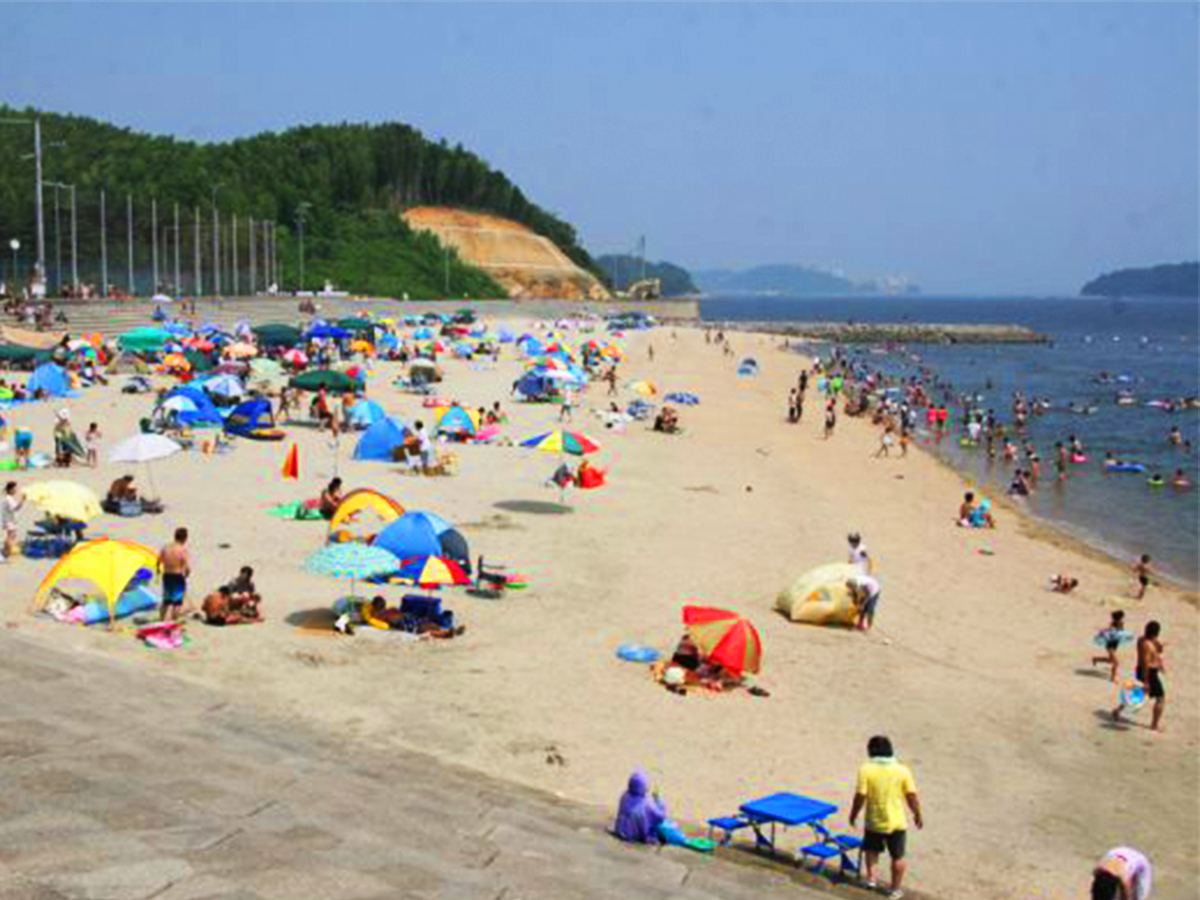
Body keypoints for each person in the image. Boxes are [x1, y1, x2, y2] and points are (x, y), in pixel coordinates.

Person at [848, 735, 923, 900]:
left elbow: (860, 796)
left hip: (874, 821)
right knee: (898, 857)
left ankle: (871, 880)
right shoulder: (902, 770)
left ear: (871, 751)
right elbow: (911, 795)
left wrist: (853, 814)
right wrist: (917, 813)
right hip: (897, 822)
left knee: (871, 850)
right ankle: (895, 890)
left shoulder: (866, 769)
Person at [1112, 621, 1166, 731]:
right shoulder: (1146, 644)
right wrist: (1146, 681)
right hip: (1148, 673)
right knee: (1160, 698)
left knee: (1141, 692)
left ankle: (1117, 710)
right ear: (1156, 633)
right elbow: (1145, 662)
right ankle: (1154, 725)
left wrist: (1159, 658)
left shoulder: (1144, 639)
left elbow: (1158, 651)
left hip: (1145, 671)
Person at [613, 770, 667, 844]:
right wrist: (659, 800)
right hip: (637, 836)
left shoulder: (625, 796)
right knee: (660, 827)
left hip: (621, 831)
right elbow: (661, 817)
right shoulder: (647, 803)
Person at [157, 527, 191, 622]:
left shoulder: (165, 547)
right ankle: (173, 621)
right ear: (185, 538)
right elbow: (187, 567)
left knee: (166, 601)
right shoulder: (182, 550)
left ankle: (161, 620)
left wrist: (159, 571)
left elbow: (159, 561)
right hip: (177, 576)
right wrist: (187, 574)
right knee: (177, 602)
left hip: (166, 576)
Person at [1091, 610, 1125, 682]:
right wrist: (1102, 632)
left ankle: (1095, 659)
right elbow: (1108, 632)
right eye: (1121, 618)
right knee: (1116, 663)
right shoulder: (1112, 625)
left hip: (1115, 644)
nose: (1122, 619)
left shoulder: (1121, 623)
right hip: (1110, 645)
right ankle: (1113, 678)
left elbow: (1121, 633)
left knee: (1110, 660)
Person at [2, 481, 25, 561]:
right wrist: (23, 500)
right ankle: (5, 553)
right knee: (10, 536)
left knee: (12, 536)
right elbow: (16, 508)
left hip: (10, 521)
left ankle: (5, 553)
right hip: (10, 521)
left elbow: (15, 508)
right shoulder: (9, 499)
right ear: (10, 489)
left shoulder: (9, 498)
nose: (15, 490)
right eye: (14, 489)